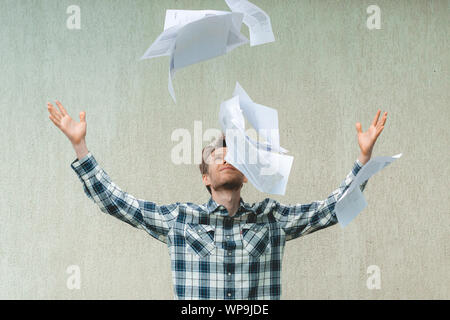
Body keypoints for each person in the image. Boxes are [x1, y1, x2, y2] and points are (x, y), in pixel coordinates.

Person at [47, 100, 387, 299]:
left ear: (246, 171)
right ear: (205, 178)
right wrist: (79, 145)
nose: (225, 156)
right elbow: (115, 202)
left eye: (233, 153)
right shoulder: (179, 219)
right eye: (216, 153)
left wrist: (364, 159)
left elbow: (331, 209)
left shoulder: (271, 219)